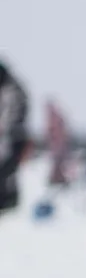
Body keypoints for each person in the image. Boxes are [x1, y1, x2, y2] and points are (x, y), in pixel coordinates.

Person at [0, 61, 28, 214]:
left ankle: (7, 200)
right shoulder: (13, 90)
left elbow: (14, 118)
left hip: (12, 140)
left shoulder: (12, 91)